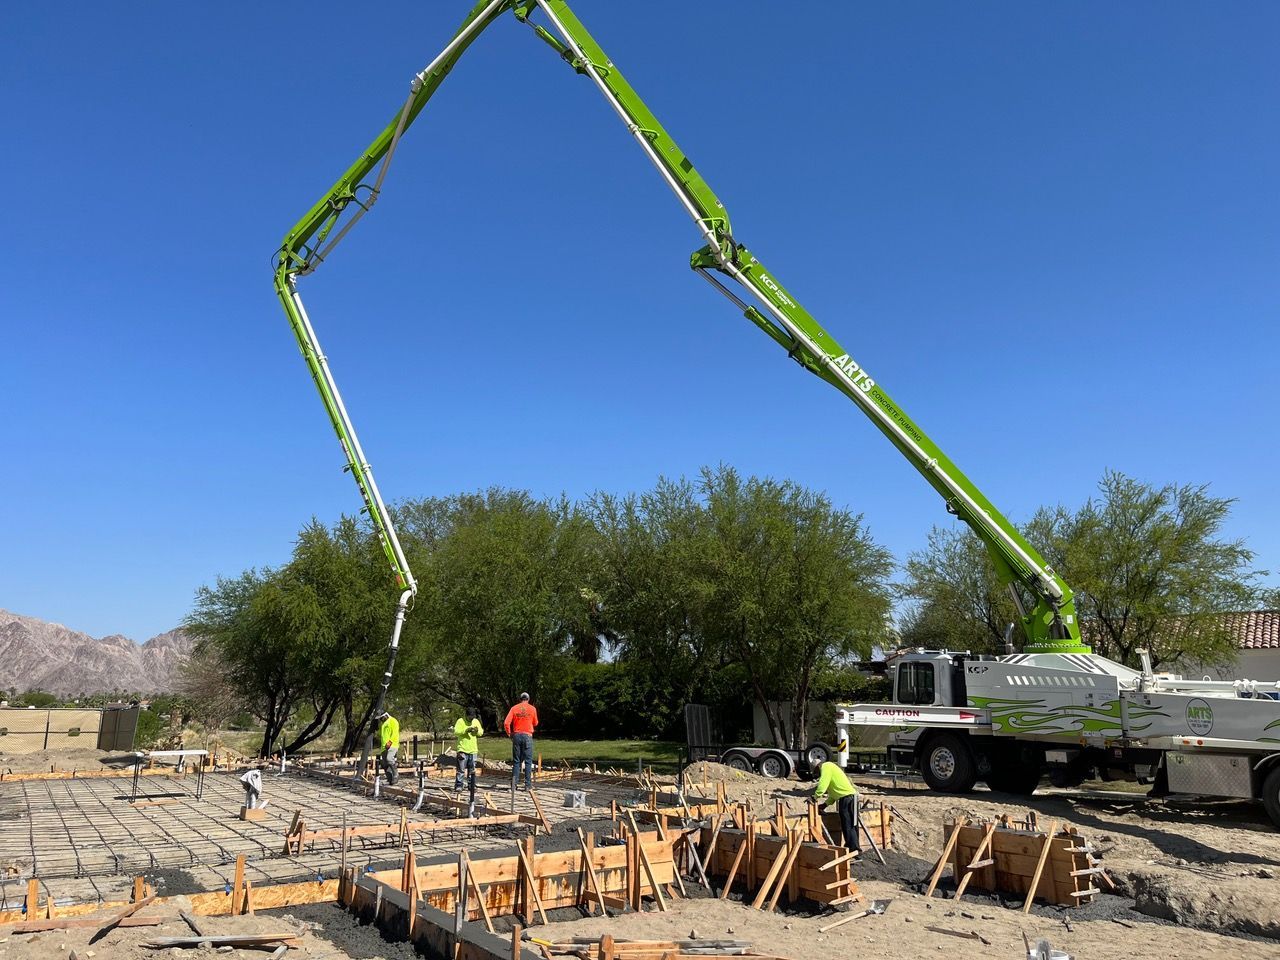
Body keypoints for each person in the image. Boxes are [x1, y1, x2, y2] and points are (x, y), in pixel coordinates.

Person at [812, 760, 860, 852]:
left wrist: (814, 797)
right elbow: (834, 795)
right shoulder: (830, 769)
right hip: (849, 798)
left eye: (816, 772)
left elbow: (822, 785)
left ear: (818, 767)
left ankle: (854, 850)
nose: (817, 775)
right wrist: (825, 805)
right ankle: (853, 849)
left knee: (849, 826)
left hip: (847, 799)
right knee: (850, 825)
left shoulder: (826, 767)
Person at [503, 692, 539, 790]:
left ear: (520, 699)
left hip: (517, 735)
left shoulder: (514, 708)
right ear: (528, 699)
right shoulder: (532, 709)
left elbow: (506, 723)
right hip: (527, 735)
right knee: (528, 761)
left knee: (516, 761)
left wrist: (509, 734)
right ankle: (527, 785)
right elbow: (535, 723)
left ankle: (514, 785)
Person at [453, 706, 483, 795]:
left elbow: (481, 732)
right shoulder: (460, 721)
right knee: (461, 769)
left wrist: (476, 731)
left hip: (473, 750)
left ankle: (471, 785)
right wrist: (466, 730)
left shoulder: (476, 721)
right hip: (462, 749)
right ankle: (459, 785)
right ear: (466, 715)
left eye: (473, 717)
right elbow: (456, 732)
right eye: (470, 717)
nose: (471, 719)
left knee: (472, 769)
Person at [377, 709, 400, 786]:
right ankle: (390, 779)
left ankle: (396, 775)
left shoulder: (393, 721)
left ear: (385, 715)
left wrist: (390, 742)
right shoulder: (383, 724)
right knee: (385, 764)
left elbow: (395, 733)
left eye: (381, 718)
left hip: (392, 745)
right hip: (384, 747)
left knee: (389, 759)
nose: (380, 720)